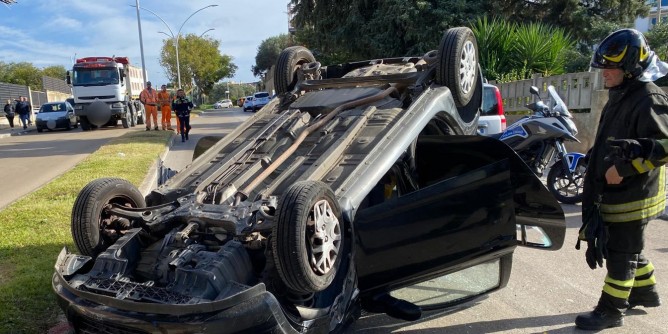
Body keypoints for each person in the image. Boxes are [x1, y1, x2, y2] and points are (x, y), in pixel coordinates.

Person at [576, 28, 668, 330]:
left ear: (631, 67)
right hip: (618, 192)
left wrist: (624, 169)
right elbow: (614, 135)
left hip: (633, 194)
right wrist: (595, 156)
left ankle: (611, 311)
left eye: (610, 67)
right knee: (628, 246)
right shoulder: (622, 93)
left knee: (621, 252)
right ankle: (646, 293)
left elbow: (663, 148)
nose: (604, 73)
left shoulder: (649, 97)